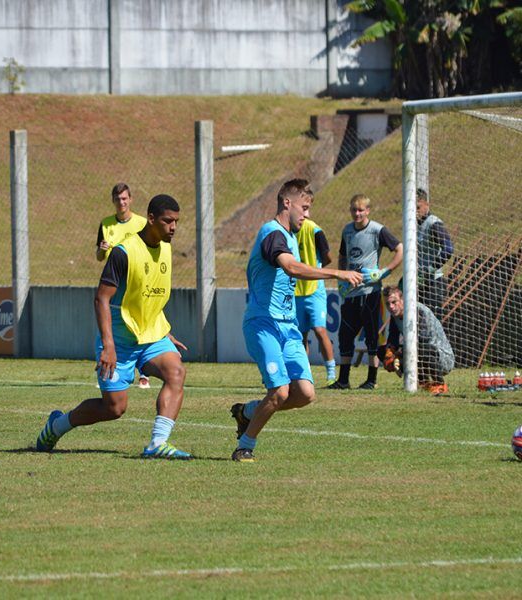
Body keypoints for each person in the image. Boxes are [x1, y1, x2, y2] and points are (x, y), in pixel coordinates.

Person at [37, 194, 192, 459]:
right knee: (114, 408)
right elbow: (102, 298)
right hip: (118, 341)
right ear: (151, 219)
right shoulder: (124, 252)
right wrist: (108, 346)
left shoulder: (165, 248)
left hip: (151, 337)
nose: (173, 227)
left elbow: (149, 296)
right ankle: (58, 424)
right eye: (168, 221)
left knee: (176, 372)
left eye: (176, 221)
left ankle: (157, 443)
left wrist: (165, 332)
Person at [230, 179, 362, 462]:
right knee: (279, 391)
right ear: (287, 203)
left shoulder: (290, 238)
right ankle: (245, 445)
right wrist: (338, 274)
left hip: (288, 327)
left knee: (304, 394)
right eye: (304, 207)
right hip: (264, 323)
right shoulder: (272, 232)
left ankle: (248, 412)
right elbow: (291, 268)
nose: (307, 214)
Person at [328, 194, 403, 390]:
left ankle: (371, 380)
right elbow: (342, 255)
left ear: (368, 211)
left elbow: (400, 249)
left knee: (372, 336)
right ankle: (343, 380)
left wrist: (384, 271)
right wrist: (342, 277)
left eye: (361, 210)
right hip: (350, 293)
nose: (357, 213)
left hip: (370, 292)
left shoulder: (377, 230)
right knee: (345, 335)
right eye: (354, 210)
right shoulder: (347, 230)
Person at [96, 182, 151, 389]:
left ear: (131, 200)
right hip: (113, 283)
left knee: (142, 323)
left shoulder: (141, 223)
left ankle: (144, 373)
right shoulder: (106, 224)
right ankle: (109, 370)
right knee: (112, 327)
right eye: (118, 199)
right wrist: (101, 250)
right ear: (113, 201)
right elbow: (99, 256)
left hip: (137, 282)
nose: (122, 202)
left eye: (125, 198)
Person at [382, 286, 454, 395]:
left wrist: (399, 354)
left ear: (402, 300)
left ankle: (439, 384)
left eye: (394, 302)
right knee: (381, 351)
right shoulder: (395, 316)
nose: (391, 307)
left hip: (442, 357)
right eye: (388, 304)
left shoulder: (418, 311)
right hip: (421, 352)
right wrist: (389, 354)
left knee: (419, 348)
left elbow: (423, 339)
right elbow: (392, 340)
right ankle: (422, 383)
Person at [295, 193, 336, 384]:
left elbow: (328, 257)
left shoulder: (315, 230)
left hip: (314, 289)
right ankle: (305, 374)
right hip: (295, 290)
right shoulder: (286, 230)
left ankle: (331, 374)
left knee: (320, 330)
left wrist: (315, 268)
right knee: (299, 335)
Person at [416, 188, 453, 322]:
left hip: (433, 284)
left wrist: (430, 269)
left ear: (427, 204)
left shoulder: (434, 223)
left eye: (418, 207)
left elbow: (448, 249)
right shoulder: (412, 225)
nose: (415, 212)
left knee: (431, 326)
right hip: (419, 283)